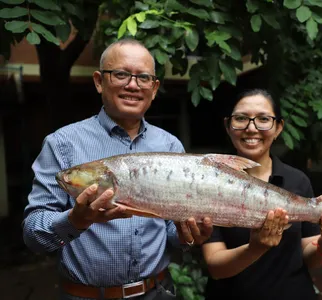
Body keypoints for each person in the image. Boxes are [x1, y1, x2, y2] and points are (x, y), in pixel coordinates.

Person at [22, 38, 212, 300]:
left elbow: (170, 230)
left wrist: (187, 236)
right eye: (121, 74)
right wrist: (75, 220)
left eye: (143, 77)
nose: (133, 85)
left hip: (157, 293)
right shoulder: (62, 143)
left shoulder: (170, 145)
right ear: (99, 81)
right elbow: (33, 234)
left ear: (154, 88)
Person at [202, 89, 322, 300]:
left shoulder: (297, 181)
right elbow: (216, 267)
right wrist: (255, 248)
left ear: (278, 127)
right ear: (228, 126)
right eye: (241, 118)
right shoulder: (209, 183)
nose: (251, 128)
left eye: (263, 119)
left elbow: (310, 256)